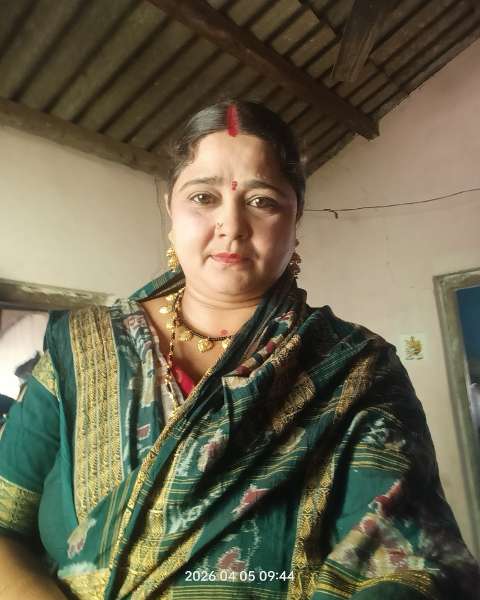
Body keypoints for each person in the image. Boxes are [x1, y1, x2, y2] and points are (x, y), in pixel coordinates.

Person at [0, 100, 478, 600]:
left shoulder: (355, 369)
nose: (231, 225)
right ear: (171, 210)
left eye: (262, 201)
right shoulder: (80, 348)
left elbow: (411, 569)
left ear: (295, 219)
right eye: (203, 197)